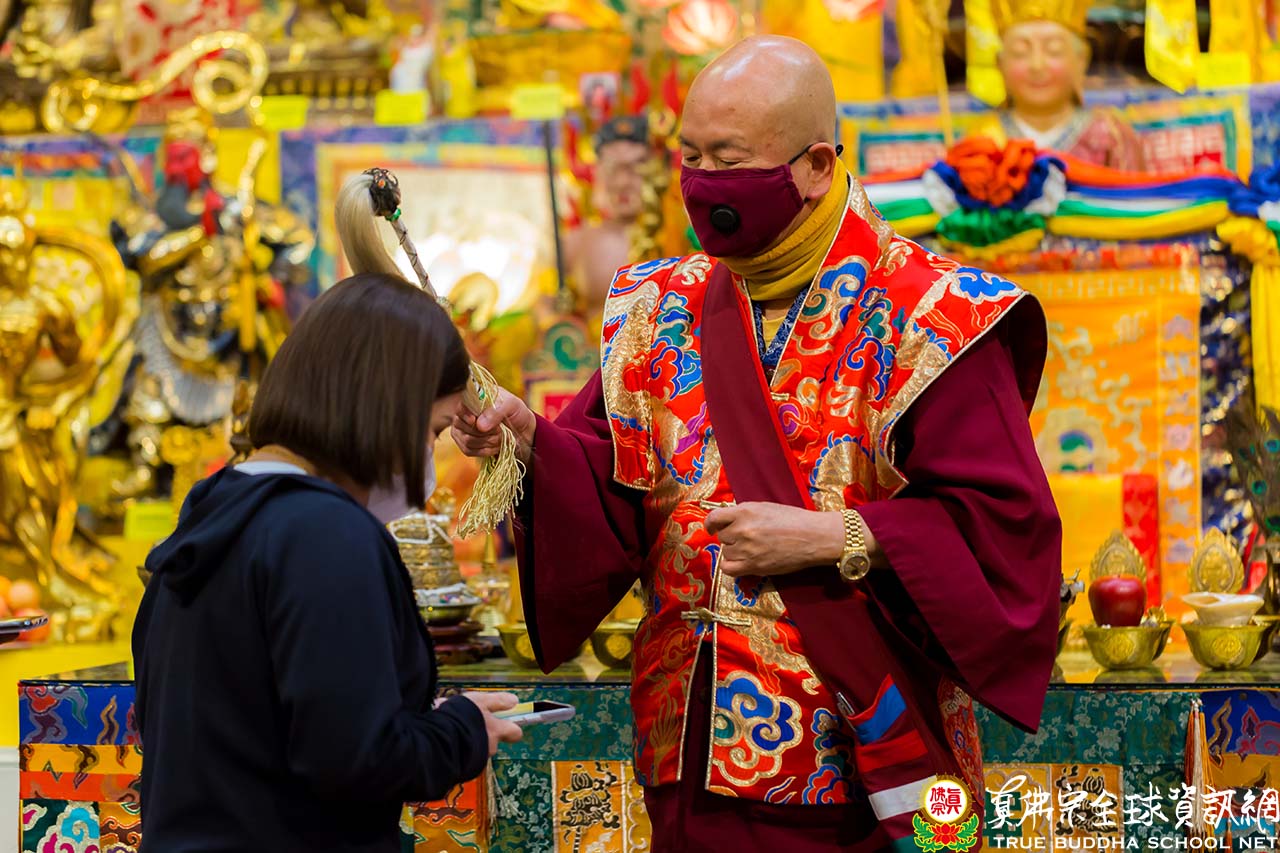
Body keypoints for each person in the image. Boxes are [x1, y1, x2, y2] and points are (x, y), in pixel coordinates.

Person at [454, 35, 1062, 851]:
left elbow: (1003, 528)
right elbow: (613, 487)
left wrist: (837, 535)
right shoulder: (657, 305)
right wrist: (530, 437)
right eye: (691, 156)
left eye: (729, 160)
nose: (703, 180)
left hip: (861, 751)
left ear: (815, 165)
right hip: (687, 741)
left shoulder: (934, 315)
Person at [132, 272, 523, 852]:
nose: (428, 457)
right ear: (387, 407)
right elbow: (356, 761)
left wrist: (417, 716)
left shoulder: (214, 509)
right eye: (433, 429)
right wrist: (460, 731)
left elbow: (257, 721)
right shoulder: (326, 533)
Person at [972, 0, 1146, 170]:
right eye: (1020, 53)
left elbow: (1134, 187)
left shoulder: (1111, 135)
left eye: (1053, 50)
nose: (1037, 65)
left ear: (1081, 59)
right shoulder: (983, 138)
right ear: (1000, 64)